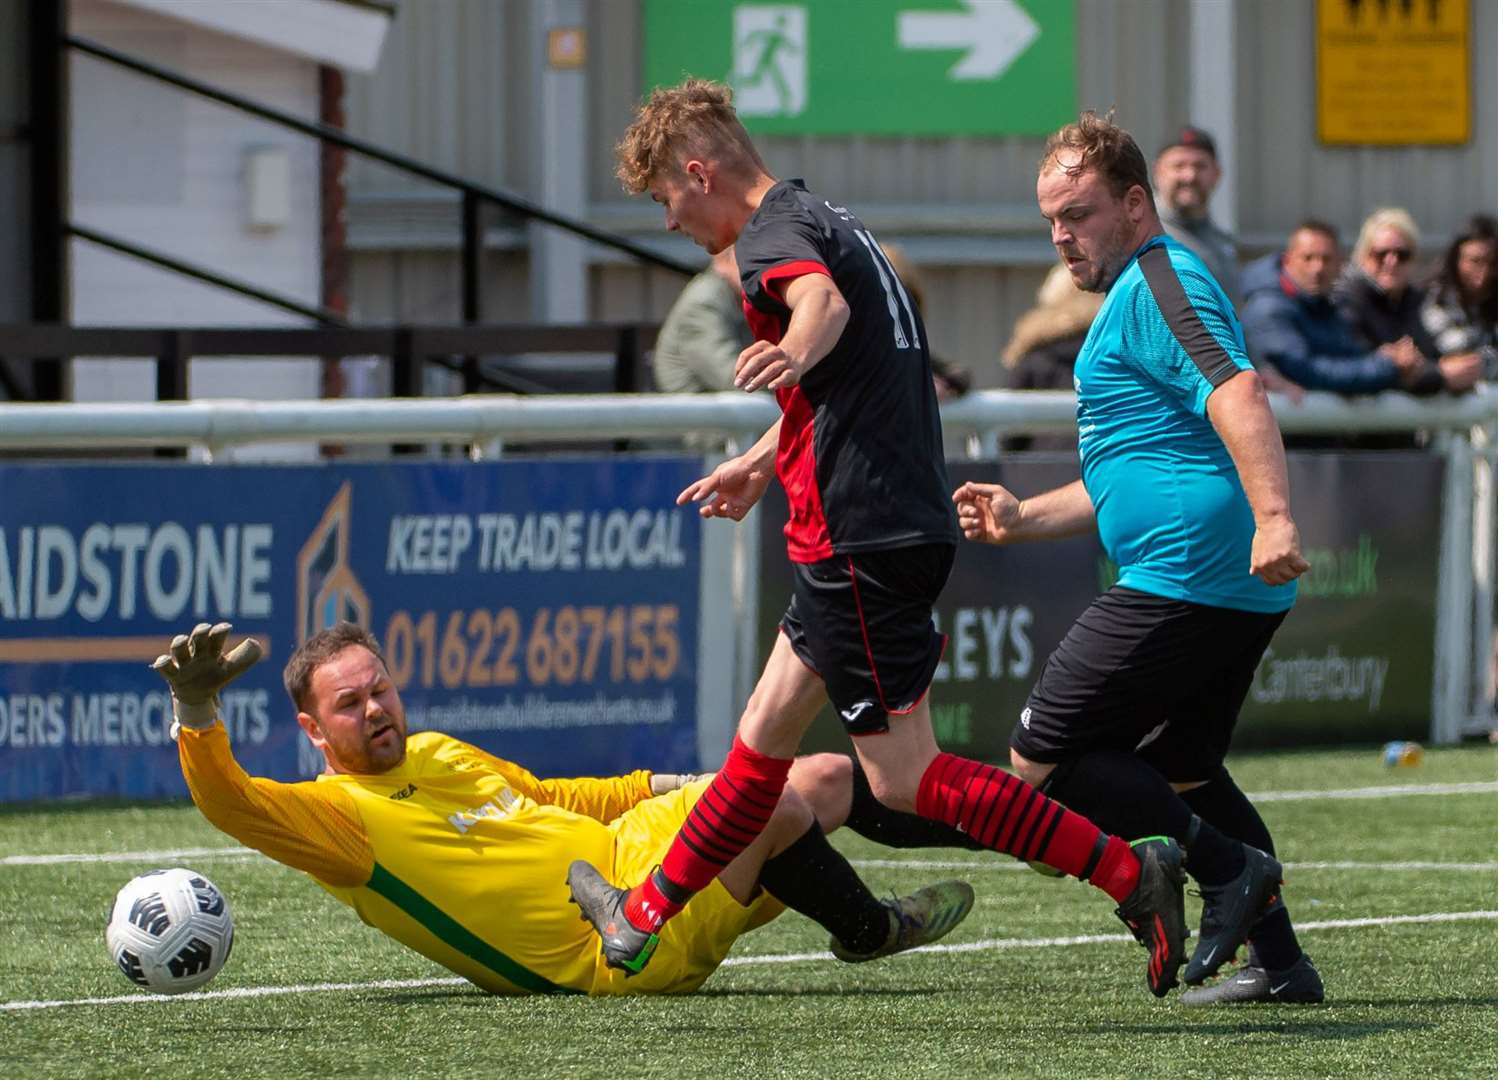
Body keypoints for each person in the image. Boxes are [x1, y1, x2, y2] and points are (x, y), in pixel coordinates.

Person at [567, 78, 1189, 998]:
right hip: (872, 531)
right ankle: (644, 916)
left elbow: (822, 314)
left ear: (698, 174)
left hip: (858, 537)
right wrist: (760, 456)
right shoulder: (821, 216)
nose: (668, 223)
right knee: (761, 737)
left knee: (905, 779)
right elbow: (845, 383)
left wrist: (793, 350)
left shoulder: (770, 242)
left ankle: (1133, 875)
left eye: (664, 200)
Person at [953, 112, 1324, 1006]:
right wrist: (1023, 515)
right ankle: (1279, 963)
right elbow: (1130, 474)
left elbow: (1237, 389)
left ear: (1133, 202)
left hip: (1188, 576)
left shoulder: (1162, 280)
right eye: (1051, 220)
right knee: (1184, 767)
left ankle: (1228, 871)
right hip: (1218, 579)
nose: (1062, 236)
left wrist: (1277, 516)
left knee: (1041, 759)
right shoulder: (1137, 294)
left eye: (1077, 214)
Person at [149, 621, 978, 997]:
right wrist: (196, 713)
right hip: (618, 945)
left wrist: (680, 787)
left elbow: (558, 798)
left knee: (825, 774)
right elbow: (233, 805)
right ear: (312, 730)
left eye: (380, 690)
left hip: (633, 853)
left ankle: (992, 830)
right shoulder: (339, 824)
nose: (374, 710)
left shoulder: (437, 751)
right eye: (348, 705)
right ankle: (869, 929)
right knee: (766, 803)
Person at [1241, 220, 1434, 396]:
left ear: (1340, 264)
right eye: (1308, 258)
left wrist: (1389, 360)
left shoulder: (1329, 305)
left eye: (1326, 259)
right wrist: (1386, 366)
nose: (1317, 268)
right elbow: (1303, 371)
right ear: (1288, 260)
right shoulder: (1268, 308)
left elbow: (1349, 359)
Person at [1335, 207, 1481, 393]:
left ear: (1413, 259)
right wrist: (1438, 374)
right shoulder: (1346, 301)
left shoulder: (1419, 301)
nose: (1391, 261)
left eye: (1402, 255)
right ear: (1364, 256)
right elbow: (1361, 367)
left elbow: (1434, 354)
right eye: (1381, 254)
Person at [1153, 126, 1240, 308]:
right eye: (1179, 166)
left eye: (1200, 166)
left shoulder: (1223, 245)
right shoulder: (1139, 235)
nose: (1190, 176)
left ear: (1216, 174)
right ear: (1158, 172)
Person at [652, 246, 752, 394]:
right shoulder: (705, 302)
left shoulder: (737, 295)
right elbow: (732, 378)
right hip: (696, 409)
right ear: (723, 262)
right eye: (751, 260)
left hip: (728, 405)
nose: (761, 268)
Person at [1422, 214, 1498, 380]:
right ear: (1456, 260)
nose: (1484, 272)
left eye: (1492, 263)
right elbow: (1455, 350)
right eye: (1475, 261)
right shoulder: (1434, 299)